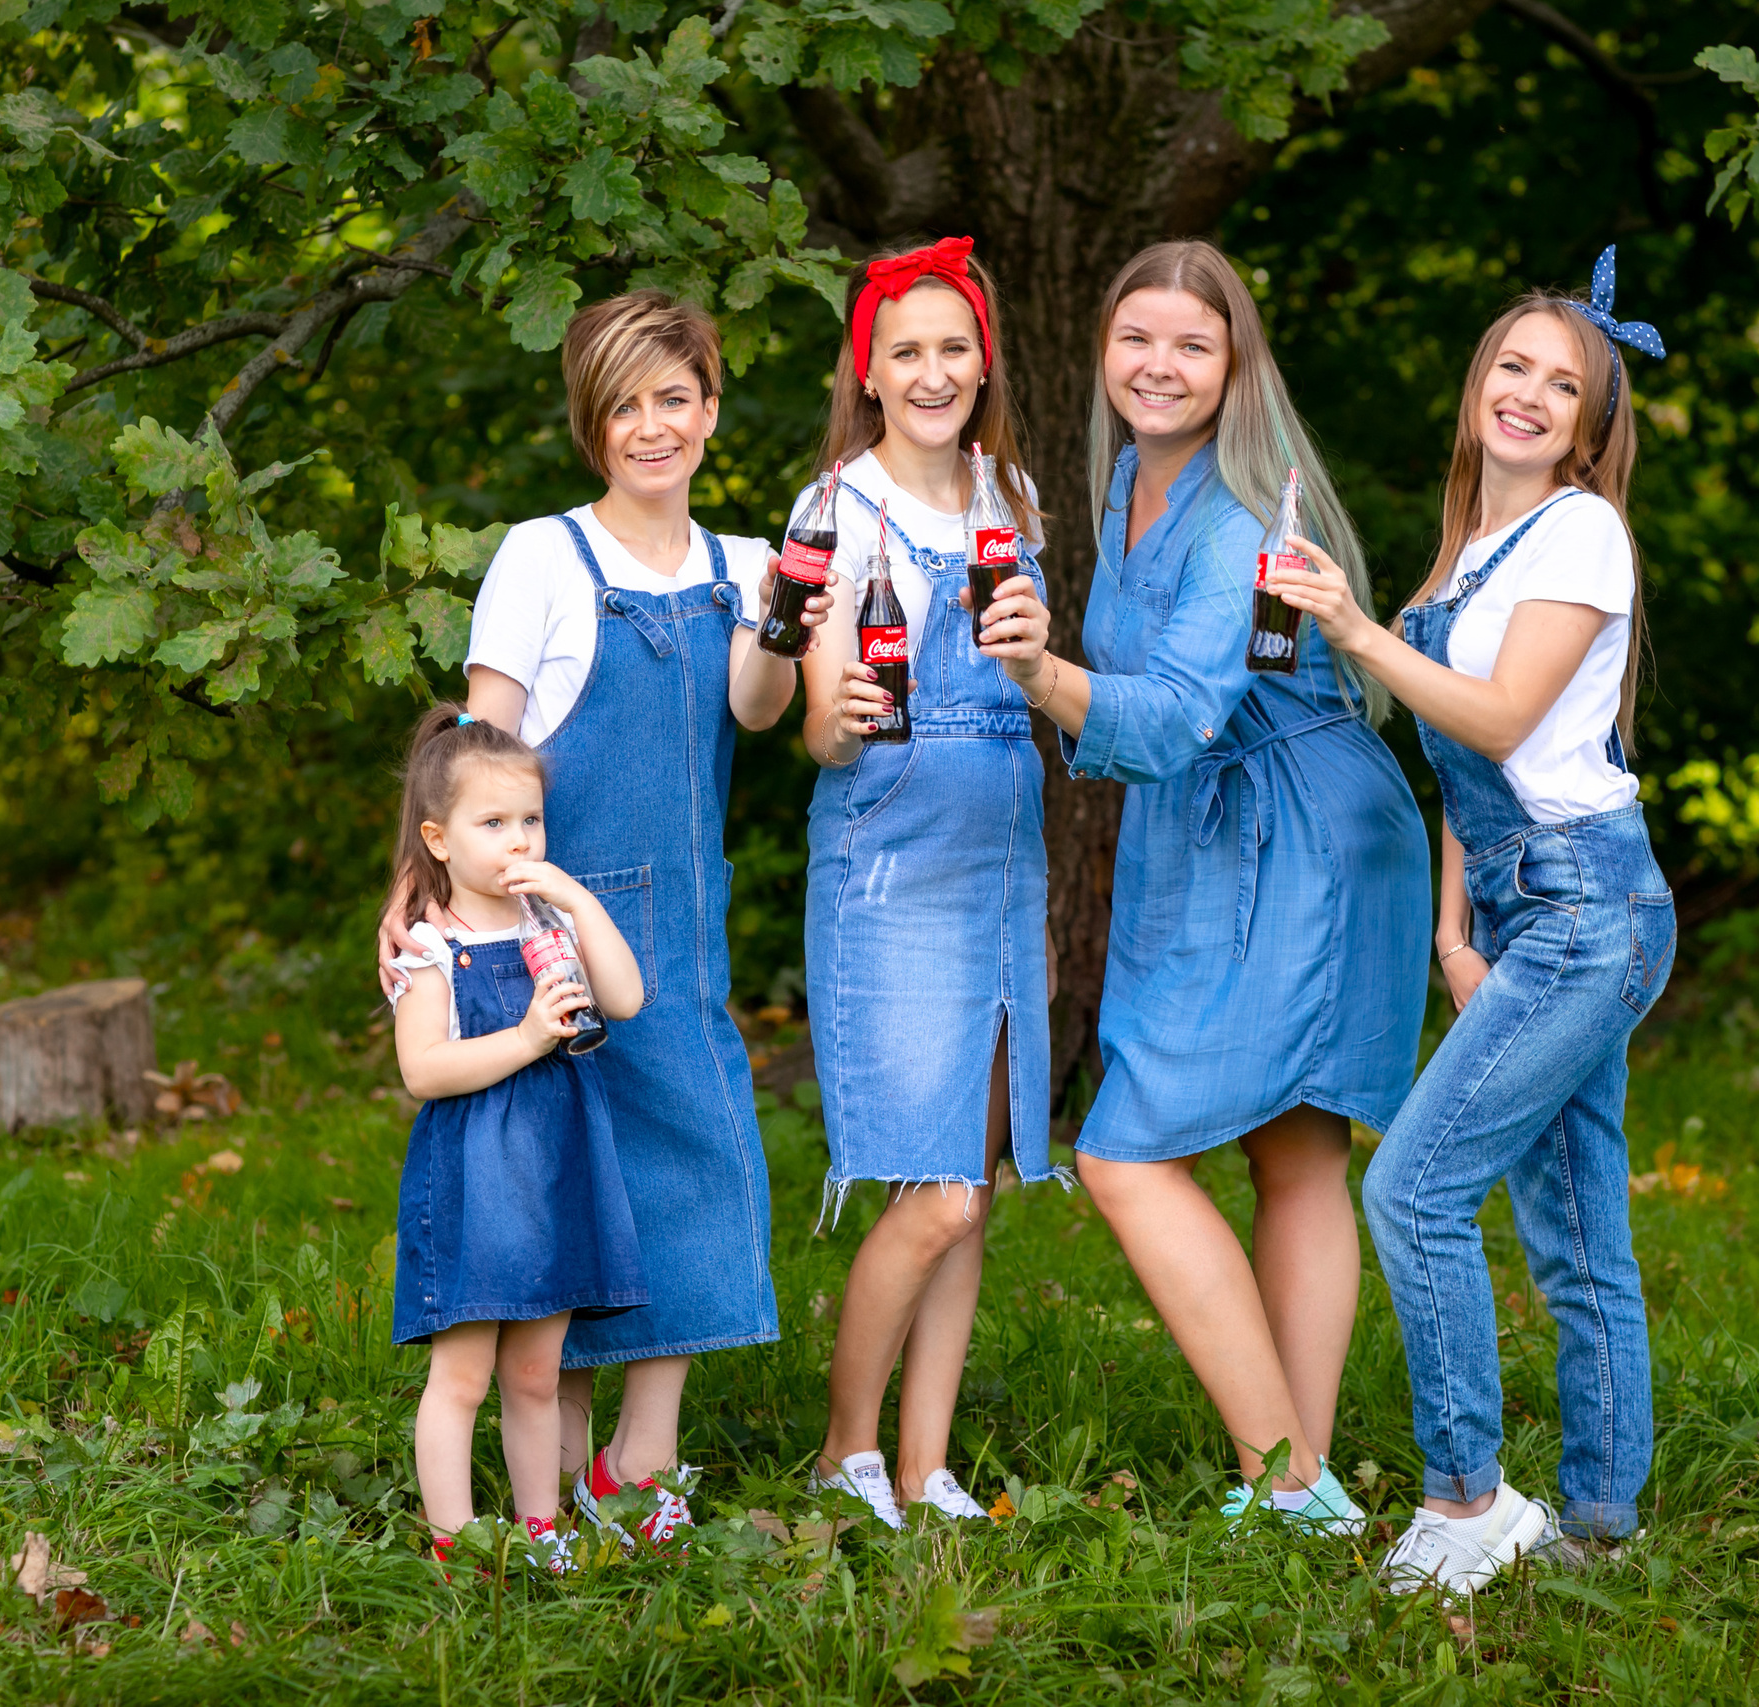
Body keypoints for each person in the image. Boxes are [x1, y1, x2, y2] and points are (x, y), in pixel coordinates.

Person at [377, 291, 827, 1550]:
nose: (651, 427)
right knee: (574, 1178)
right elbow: (476, 750)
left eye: (673, 400)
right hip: (552, 915)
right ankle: (570, 1457)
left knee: (699, 1161)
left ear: (711, 410)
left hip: (678, 918)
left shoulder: (746, 566)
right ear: (592, 426)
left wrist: (787, 616)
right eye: (624, 406)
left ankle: (643, 1449)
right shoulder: (543, 555)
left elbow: (754, 709)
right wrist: (417, 898)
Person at [995, 239, 1431, 1528]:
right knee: (1293, 1159)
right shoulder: (1132, 474)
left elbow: (1184, 713)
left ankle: (1286, 1472)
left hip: (1298, 834)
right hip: (1235, 832)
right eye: (1138, 338)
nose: (1160, 365)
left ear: (1235, 363)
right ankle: (1302, 1480)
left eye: (1192, 343)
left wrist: (1041, 679)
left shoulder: (1240, 507)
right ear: (1102, 350)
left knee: (1126, 1155)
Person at [1269, 247, 1677, 1593]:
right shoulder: (1476, 542)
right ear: (1476, 385)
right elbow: (1462, 762)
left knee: (1413, 1183)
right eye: (1513, 365)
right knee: (1572, 1224)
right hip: (1522, 905)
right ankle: (1603, 1520)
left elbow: (1500, 717)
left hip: (1590, 902)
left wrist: (1352, 624)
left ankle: (1465, 1499)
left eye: (1563, 385)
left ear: (1588, 425)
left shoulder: (1580, 533)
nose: (1529, 394)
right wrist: (1455, 928)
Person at [794, 237, 1060, 1529]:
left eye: (954, 345)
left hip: (1006, 854)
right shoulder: (836, 503)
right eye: (907, 349)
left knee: (974, 1181)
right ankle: (846, 1452)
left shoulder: (1010, 489)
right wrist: (840, 708)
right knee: (932, 1185)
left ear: (983, 361)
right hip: (892, 861)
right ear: (871, 372)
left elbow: (1037, 669)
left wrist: (1040, 652)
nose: (934, 368)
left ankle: (923, 1462)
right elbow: (819, 728)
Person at [383, 708, 648, 1575]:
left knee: (536, 1373)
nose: (517, 838)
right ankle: (458, 1543)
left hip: (556, 1172)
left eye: (529, 819)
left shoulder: (549, 925)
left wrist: (574, 895)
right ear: (441, 840)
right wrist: (532, 1037)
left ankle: (541, 1529)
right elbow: (424, 1069)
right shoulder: (433, 946)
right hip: (475, 1180)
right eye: (491, 823)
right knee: (461, 1375)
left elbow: (628, 997)